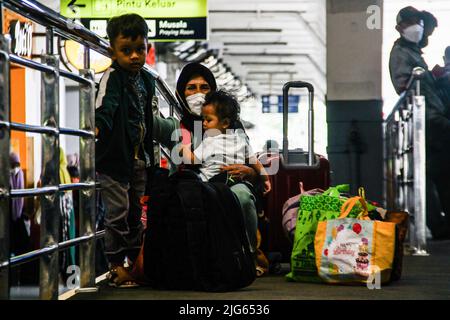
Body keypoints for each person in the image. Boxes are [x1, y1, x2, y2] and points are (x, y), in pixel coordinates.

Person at [151, 62, 262, 253]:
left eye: (204, 88)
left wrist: (249, 172)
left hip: (230, 183)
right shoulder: (177, 128)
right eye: (191, 88)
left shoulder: (233, 127)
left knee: (243, 197)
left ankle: (248, 254)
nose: (198, 94)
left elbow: (251, 162)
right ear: (180, 94)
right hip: (191, 188)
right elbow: (149, 124)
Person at [95, 13, 155, 287]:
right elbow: (105, 106)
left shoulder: (147, 80)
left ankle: (134, 264)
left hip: (138, 160)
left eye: (140, 49)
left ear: (147, 48)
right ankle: (115, 265)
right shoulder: (113, 77)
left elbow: (148, 118)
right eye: (126, 51)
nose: (134, 56)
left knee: (134, 214)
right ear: (112, 51)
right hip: (114, 160)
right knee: (117, 214)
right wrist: (97, 127)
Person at [389, 6, 450, 239]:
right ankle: (438, 223)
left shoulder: (413, 52)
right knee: (434, 173)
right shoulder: (401, 53)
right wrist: (429, 77)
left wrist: (434, 77)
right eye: (412, 22)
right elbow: (406, 85)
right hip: (427, 120)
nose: (418, 28)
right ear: (400, 27)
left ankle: (441, 223)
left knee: (440, 173)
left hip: (432, 117)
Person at [179, 89, 271, 196]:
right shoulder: (241, 140)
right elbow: (256, 163)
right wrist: (266, 179)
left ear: (225, 123)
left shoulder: (209, 141)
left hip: (210, 185)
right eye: (203, 119)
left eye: (208, 120)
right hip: (236, 183)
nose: (204, 123)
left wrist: (184, 148)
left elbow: (192, 160)